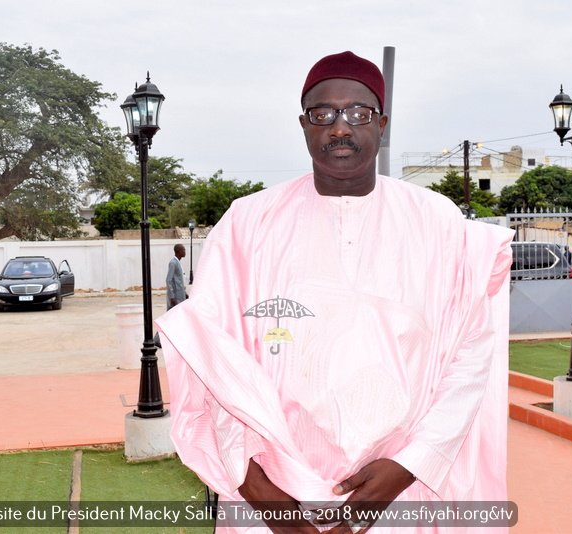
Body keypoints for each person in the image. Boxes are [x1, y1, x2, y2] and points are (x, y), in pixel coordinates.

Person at [156, 51, 513, 533]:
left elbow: (471, 357)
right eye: (323, 114)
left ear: (381, 124)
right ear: (304, 125)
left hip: (399, 495)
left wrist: (409, 466)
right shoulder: (247, 223)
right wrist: (264, 497)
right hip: (272, 497)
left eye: (358, 113)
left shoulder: (438, 222)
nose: (340, 127)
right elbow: (211, 365)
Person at [165, 244, 187, 310]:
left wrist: (184, 293)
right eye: (183, 250)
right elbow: (168, 280)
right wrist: (172, 297)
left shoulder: (178, 262)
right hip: (175, 297)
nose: (185, 252)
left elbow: (179, 280)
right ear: (179, 251)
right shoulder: (173, 263)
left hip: (180, 295)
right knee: (173, 313)